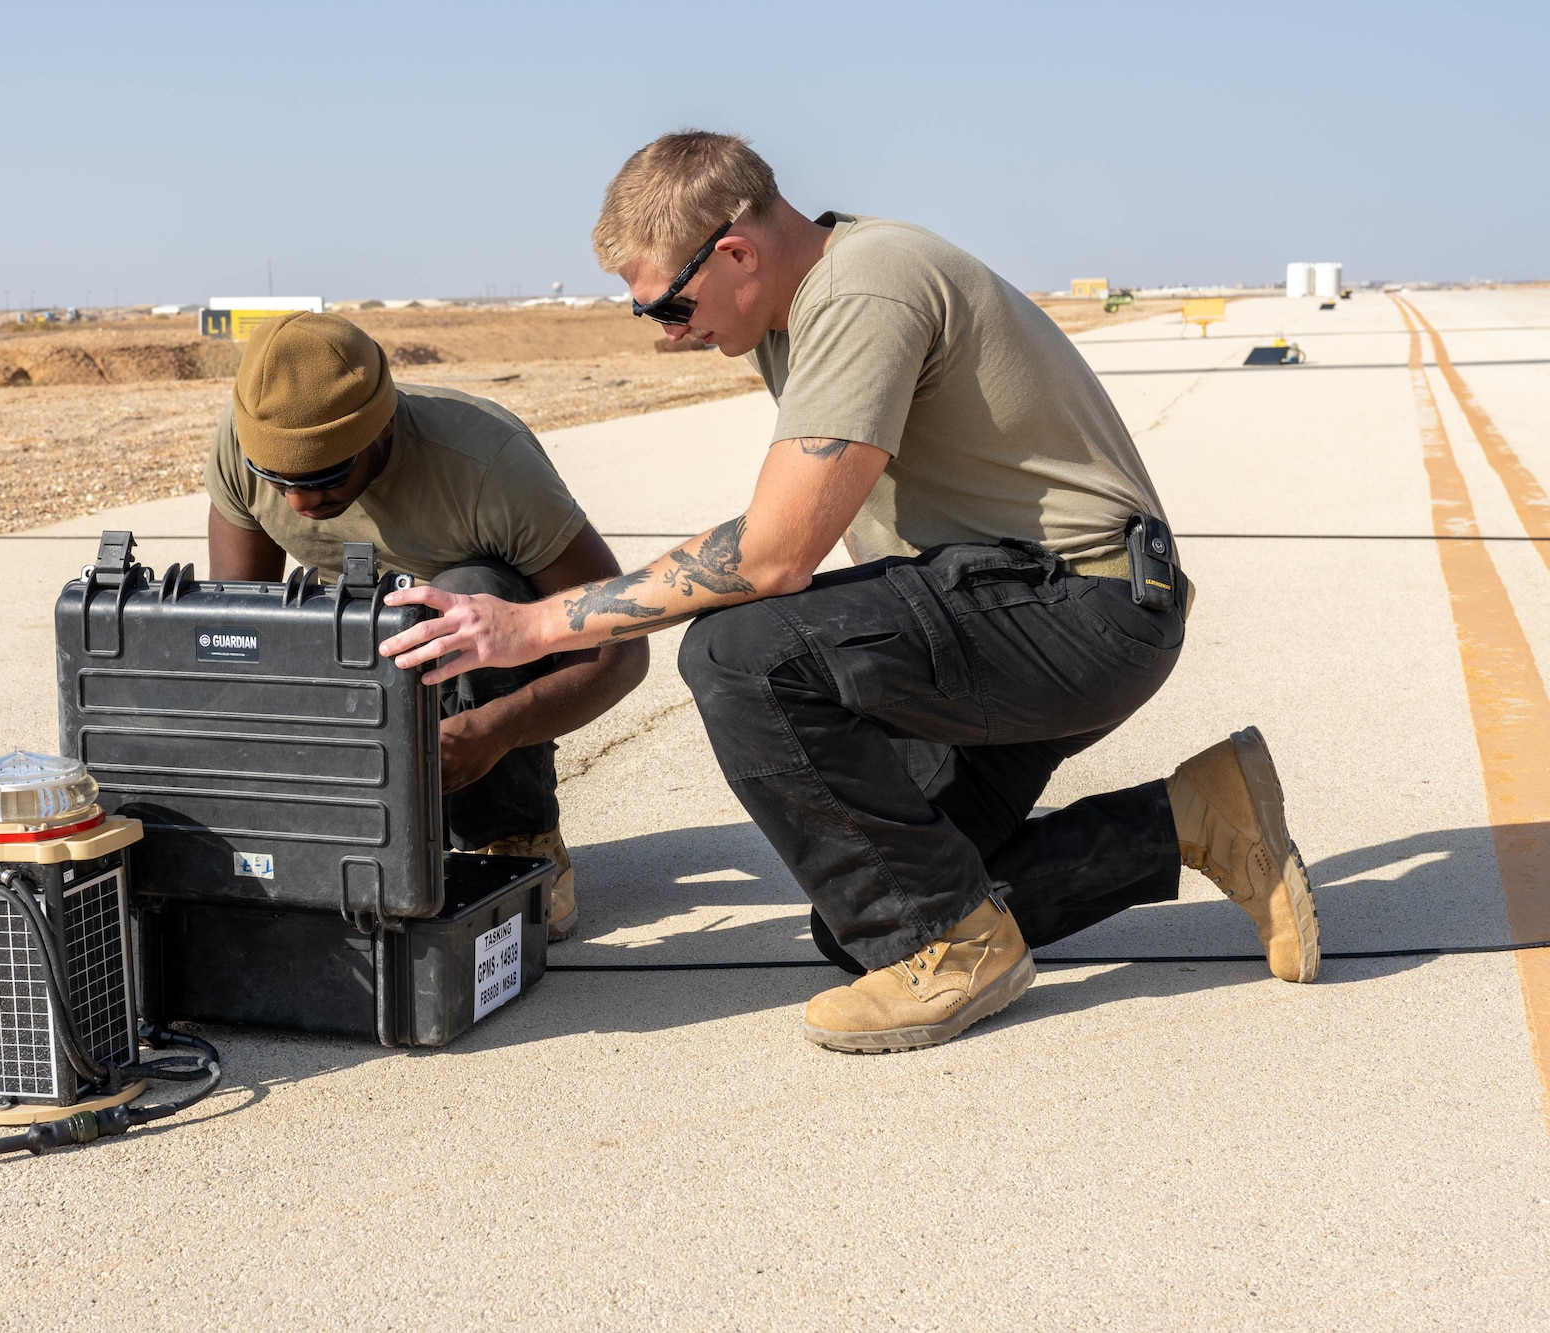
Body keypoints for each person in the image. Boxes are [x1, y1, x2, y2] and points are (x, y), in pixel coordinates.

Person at [379, 131, 1319, 1051]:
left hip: (1080, 612)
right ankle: (1196, 816)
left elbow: (779, 553)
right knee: (866, 914)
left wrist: (534, 624)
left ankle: (954, 951)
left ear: (736, 251)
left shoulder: (864, 287)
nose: (668, 335)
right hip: (1019, 614)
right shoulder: (797, 307)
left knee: (739, 652)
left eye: (668, 305)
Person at [204, 311, 645, 940]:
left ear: (381, 428)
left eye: (326, 475)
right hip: (361, 643)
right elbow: (241, 637)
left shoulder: (487, 466)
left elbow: (620, 646)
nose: (301, 503)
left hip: (483, 647)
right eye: (279, 480)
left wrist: (493, 731)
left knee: (471, 591)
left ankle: (515, 840)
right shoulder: (247, 439)